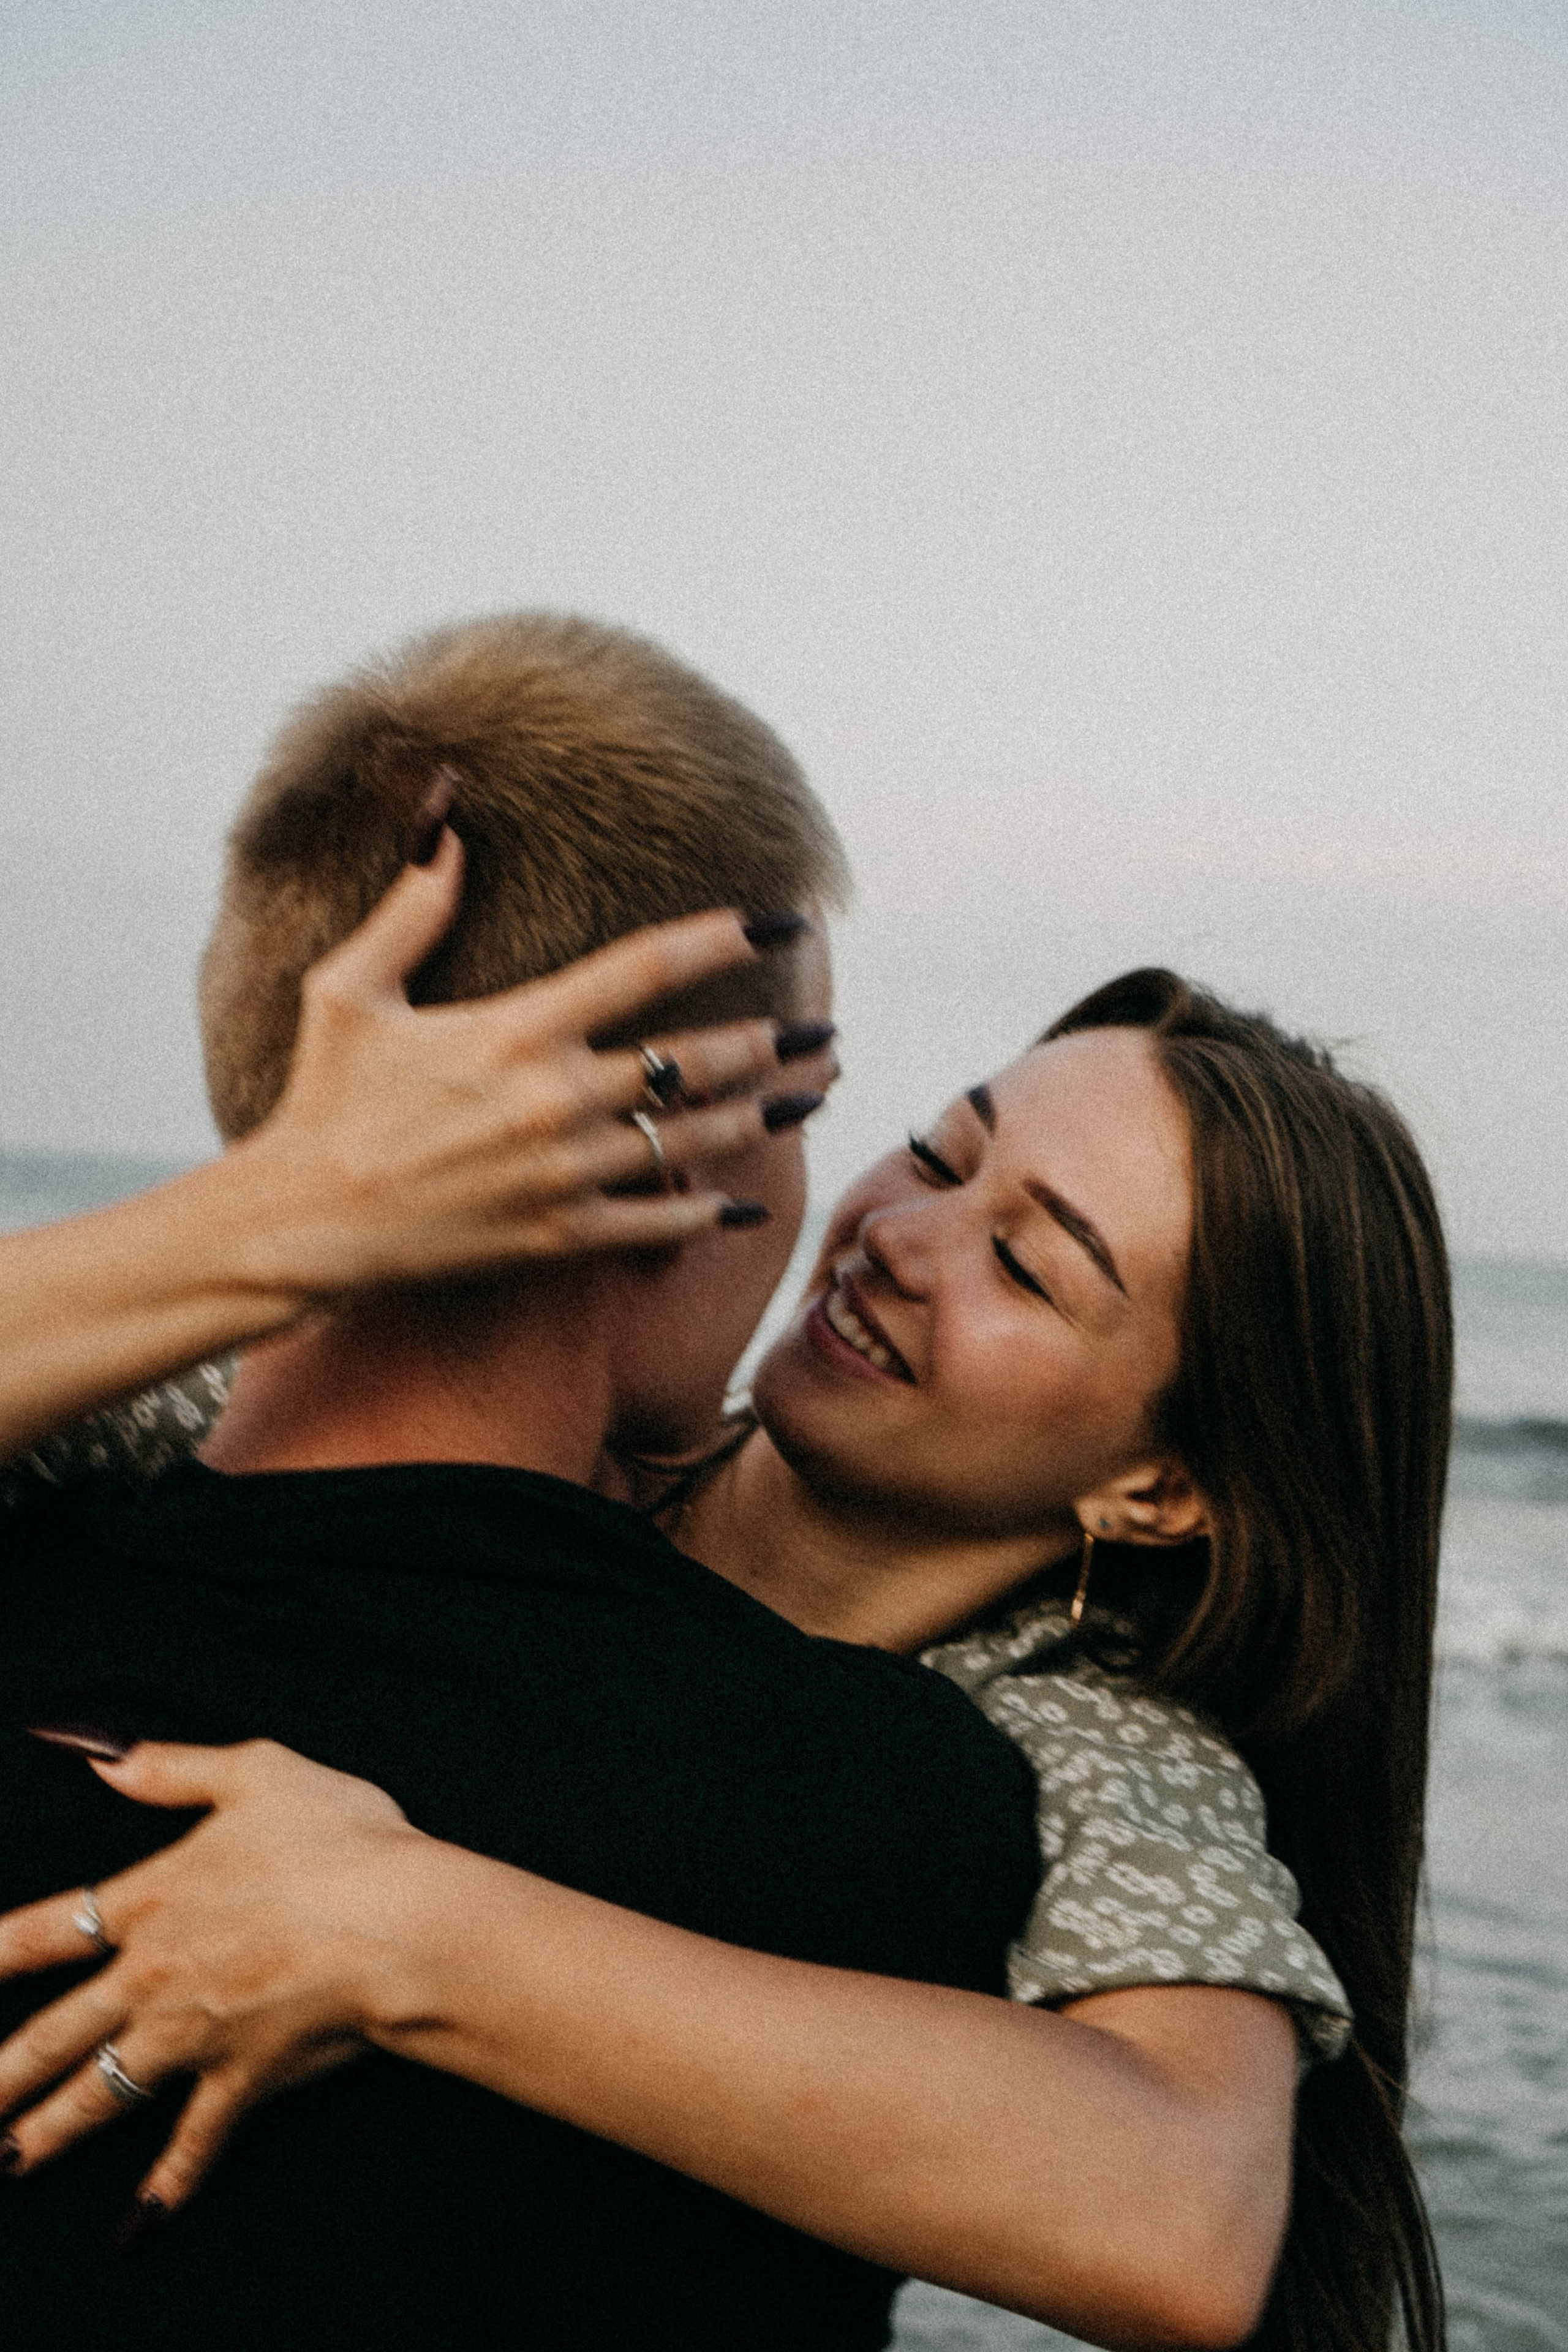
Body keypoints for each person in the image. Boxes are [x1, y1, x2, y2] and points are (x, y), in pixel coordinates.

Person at [0, 618, 1448, 2351]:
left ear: (1159, 1489)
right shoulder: (437, 1441)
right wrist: (294, 1205)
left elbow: (1178, 2216)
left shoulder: (1049, 1740)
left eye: (1029, 1265)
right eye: (939, 1151)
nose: (906, 1236)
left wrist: (401, 1924)